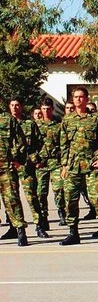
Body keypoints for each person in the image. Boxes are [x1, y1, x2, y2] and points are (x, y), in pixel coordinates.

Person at [59, 87, 98, 245]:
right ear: (72, 99)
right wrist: (64, 165)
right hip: (73, 166)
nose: (79, 99)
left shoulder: (96, 118)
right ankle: (73, 232)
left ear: (87, 99)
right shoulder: (67, 120)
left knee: (97, 198)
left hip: (91, 165)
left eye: (82, 97)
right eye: (76, 97)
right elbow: (63, 145)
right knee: (70, 200)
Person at [9, 97, 48, 238]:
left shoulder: (29, 124)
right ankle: (14, 227)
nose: (14, 108)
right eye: (12, 105)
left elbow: (40, 144)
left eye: (17, 105)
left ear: (22, 107)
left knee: (31, 197)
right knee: (12, 198)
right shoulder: (4, 125)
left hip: (26, 166)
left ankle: (39, 225)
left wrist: (37, 160)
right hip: (9, 166)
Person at [0, 101, 29, 246]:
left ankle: (20, 231)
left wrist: (17, 159)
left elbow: (21, 141)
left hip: (6, 167)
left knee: (12, 199)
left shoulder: (8, 119)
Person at [37, 98, 65, 227]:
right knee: (41, 192)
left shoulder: (59, 125)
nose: (46, 111)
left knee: (59, 189)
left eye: (48, 109)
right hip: (41, 163)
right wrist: (35, 160)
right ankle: (43, 217)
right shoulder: (35, 125)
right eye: (43, 109)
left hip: (56, 162)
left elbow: (64, 144)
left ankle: (61, 212)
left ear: (52, 109)